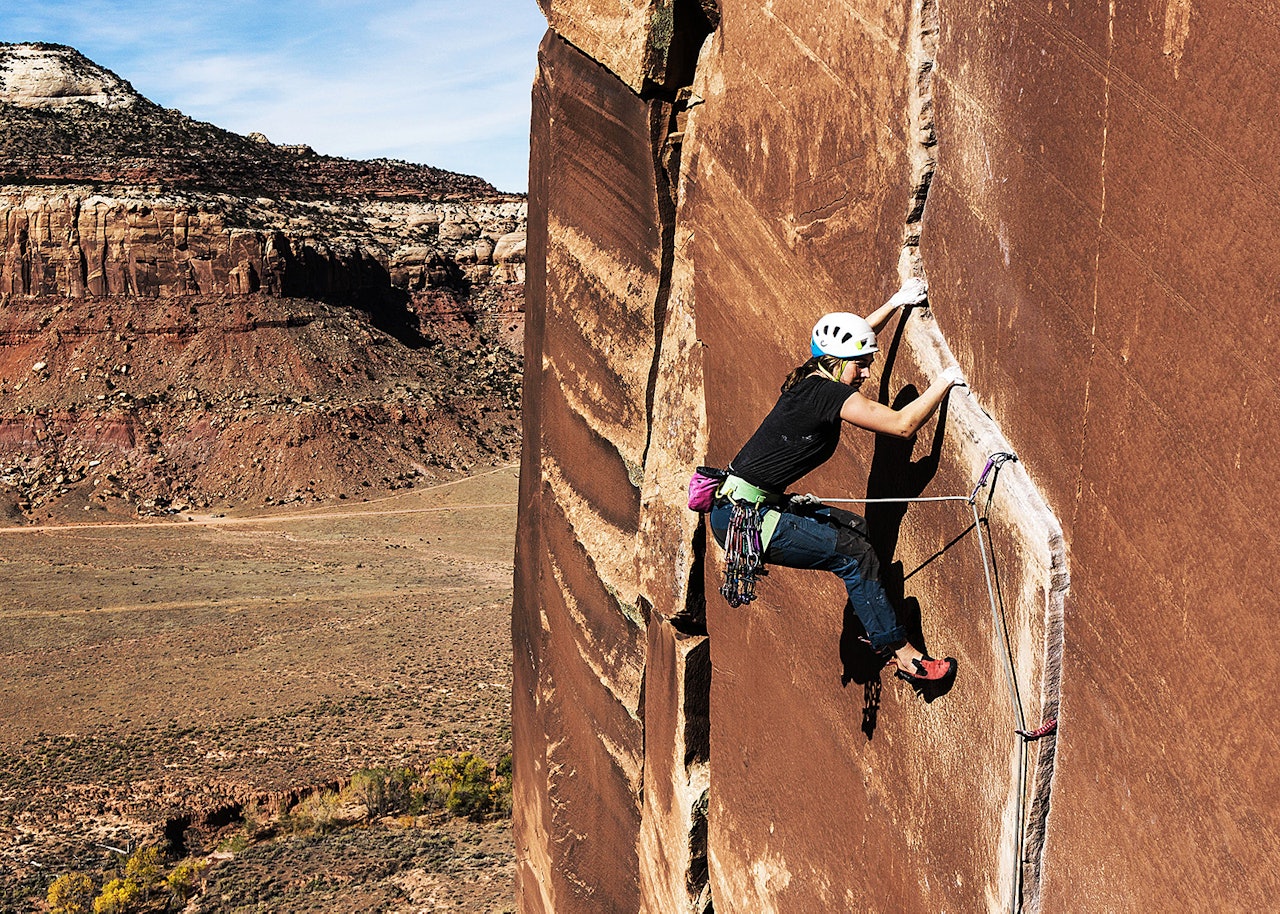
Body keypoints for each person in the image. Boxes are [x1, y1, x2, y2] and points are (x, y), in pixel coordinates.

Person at [708, 279, 967, 684]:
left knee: (857, 530)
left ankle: (872, 619)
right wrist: (947, 380)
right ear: (837, 362)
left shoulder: (812, 375)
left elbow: (854, 336)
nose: (865, 373)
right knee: (854, 555)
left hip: (744, 506)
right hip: (750, 518)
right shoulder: (829, 396)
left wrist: (896, 303)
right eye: (860, 365)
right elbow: (901, 426)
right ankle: (903, 655)